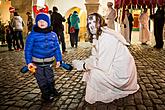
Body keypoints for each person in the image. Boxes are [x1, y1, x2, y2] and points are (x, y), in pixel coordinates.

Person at [72, 13, 139, 104]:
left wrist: (84, 65)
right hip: (112, 66)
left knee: (94, 73)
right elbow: (96, 56)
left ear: (100, 23)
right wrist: (84, 62)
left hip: (122, 75)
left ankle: (105, 90)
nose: (91, 25)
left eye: (94, 22)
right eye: (89, 23)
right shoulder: (99, 36)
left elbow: (103, 66)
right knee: (90, 70)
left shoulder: (107, 38)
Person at [24, 13, 62, 102]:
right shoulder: (32, 35)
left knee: (50, 77)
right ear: (36, 22)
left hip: (49, 62)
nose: (41, 22)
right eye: (39, 21)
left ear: (48, 22)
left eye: (44, 21)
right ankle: (45, 94)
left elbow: (57, 48)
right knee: (41, 79)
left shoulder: (53, 35)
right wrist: (29, 62)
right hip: (37, 63)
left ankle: (52, 90)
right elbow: (28, 49)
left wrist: (59, 59)